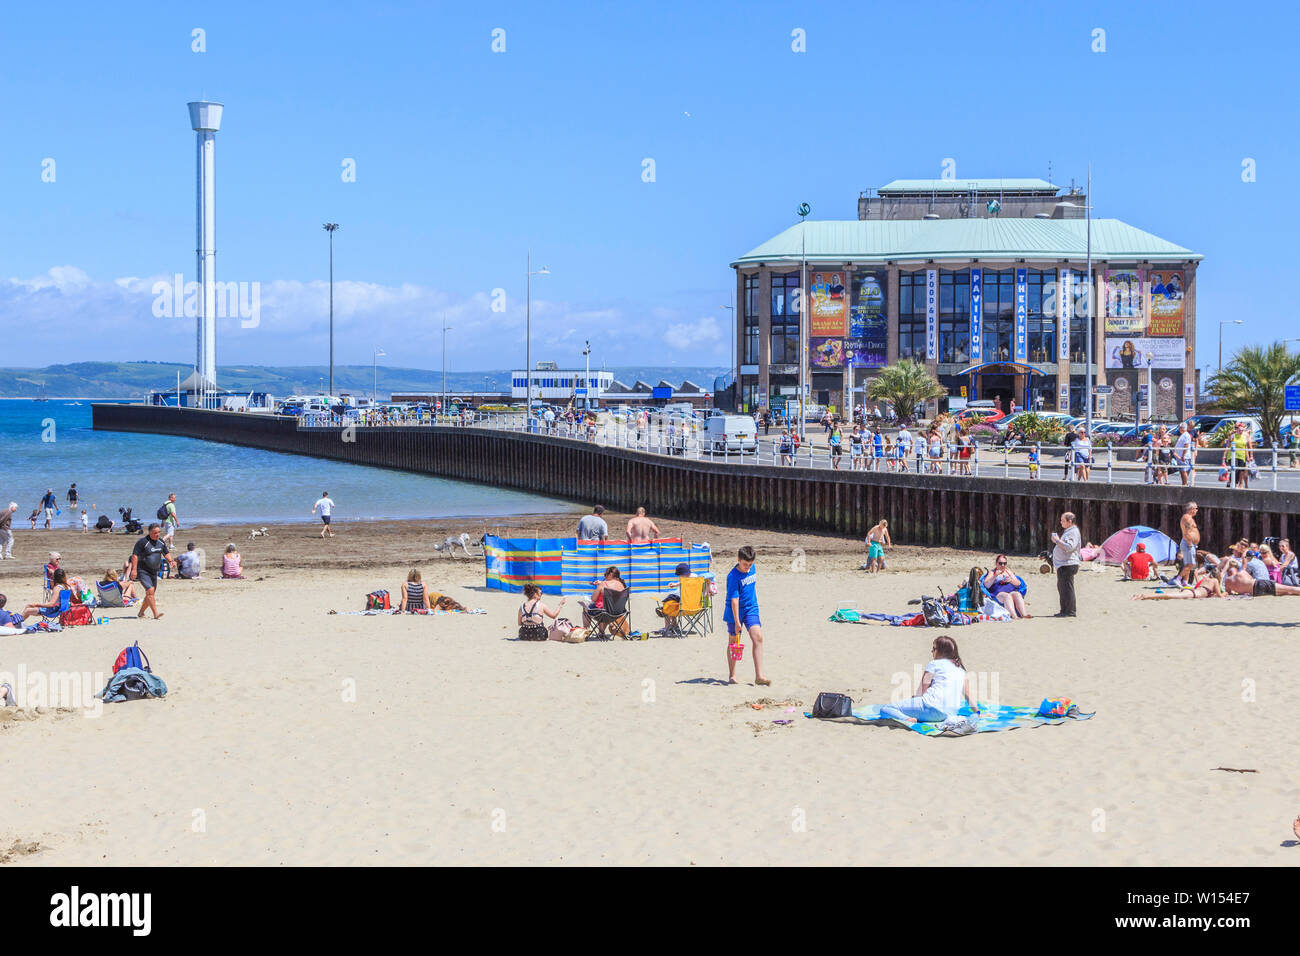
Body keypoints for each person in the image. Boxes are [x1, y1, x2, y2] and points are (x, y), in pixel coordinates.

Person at [878, 635, 979, 725]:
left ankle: (907, 719)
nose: (931, 651)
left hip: (930, 707)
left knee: (886, 709)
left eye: (934, 648)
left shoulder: (933, 664)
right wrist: (977, 713)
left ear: (941, 651)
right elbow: (968, 694)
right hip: (949, 713)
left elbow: (922, 690)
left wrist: (913, 700)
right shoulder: (960, 669)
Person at [724, 545, 769, 686]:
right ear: (738, 560)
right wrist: (737, 622)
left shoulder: (752, 568)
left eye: (750, 564)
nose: (748, 567)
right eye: (745, 564)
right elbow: (734, 600)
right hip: (734, 611)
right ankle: (732, 675)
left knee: (758, 637)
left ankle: (759, 676)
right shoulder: (732, 577)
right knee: (733, 642)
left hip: (751, 608)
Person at [129, 523, 177, 620]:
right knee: (150, 591)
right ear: (150, 532)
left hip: (154, 571)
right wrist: (134, 570)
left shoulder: (161, 542)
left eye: (159, 532)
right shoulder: (143, 542)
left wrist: (171, 561)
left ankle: (141, 613)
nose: (157, 534)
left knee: (150, 594)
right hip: (142, 570)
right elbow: (134, 556)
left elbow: (166, 553)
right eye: (155, 533)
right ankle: (155, 614)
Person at [1050, 511, 1081, 617]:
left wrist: (1057, 540)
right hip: (1063, 564)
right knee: (1062, 587)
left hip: (1068, 564)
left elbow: (1069, 547)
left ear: (1070, 521)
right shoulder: (1069, 531)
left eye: (1063, 520)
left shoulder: (1073, 532)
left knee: (1067, 588)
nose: (1061, 522)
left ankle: (1070, 611)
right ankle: (1064, 610)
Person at [1223, 421, 1253, 489]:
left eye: (1242, 429)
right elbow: (1227, 445)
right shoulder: (1232, 435)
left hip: (1242, 455)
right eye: (1237, 428)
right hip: (1233, 455)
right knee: (1235, 468)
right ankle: (1233, 483)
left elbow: (1247, 447)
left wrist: (1250, 456)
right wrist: (1224, 455)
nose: (1240, 431)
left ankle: (1237, 483)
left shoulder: (1245, 436)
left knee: (1241, 470)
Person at [1175, 502, 1200, 585]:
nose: (1197, 510)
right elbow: (1187, 532)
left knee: (1187, 564)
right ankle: (1178, 579)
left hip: (1190, 543)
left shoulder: (1189, 518)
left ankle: (1185, 581)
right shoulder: (1187, 518)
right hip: (1188, 543)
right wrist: (1189, 543)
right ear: (1191, 509)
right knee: (1191, 564)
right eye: (1196, 508)